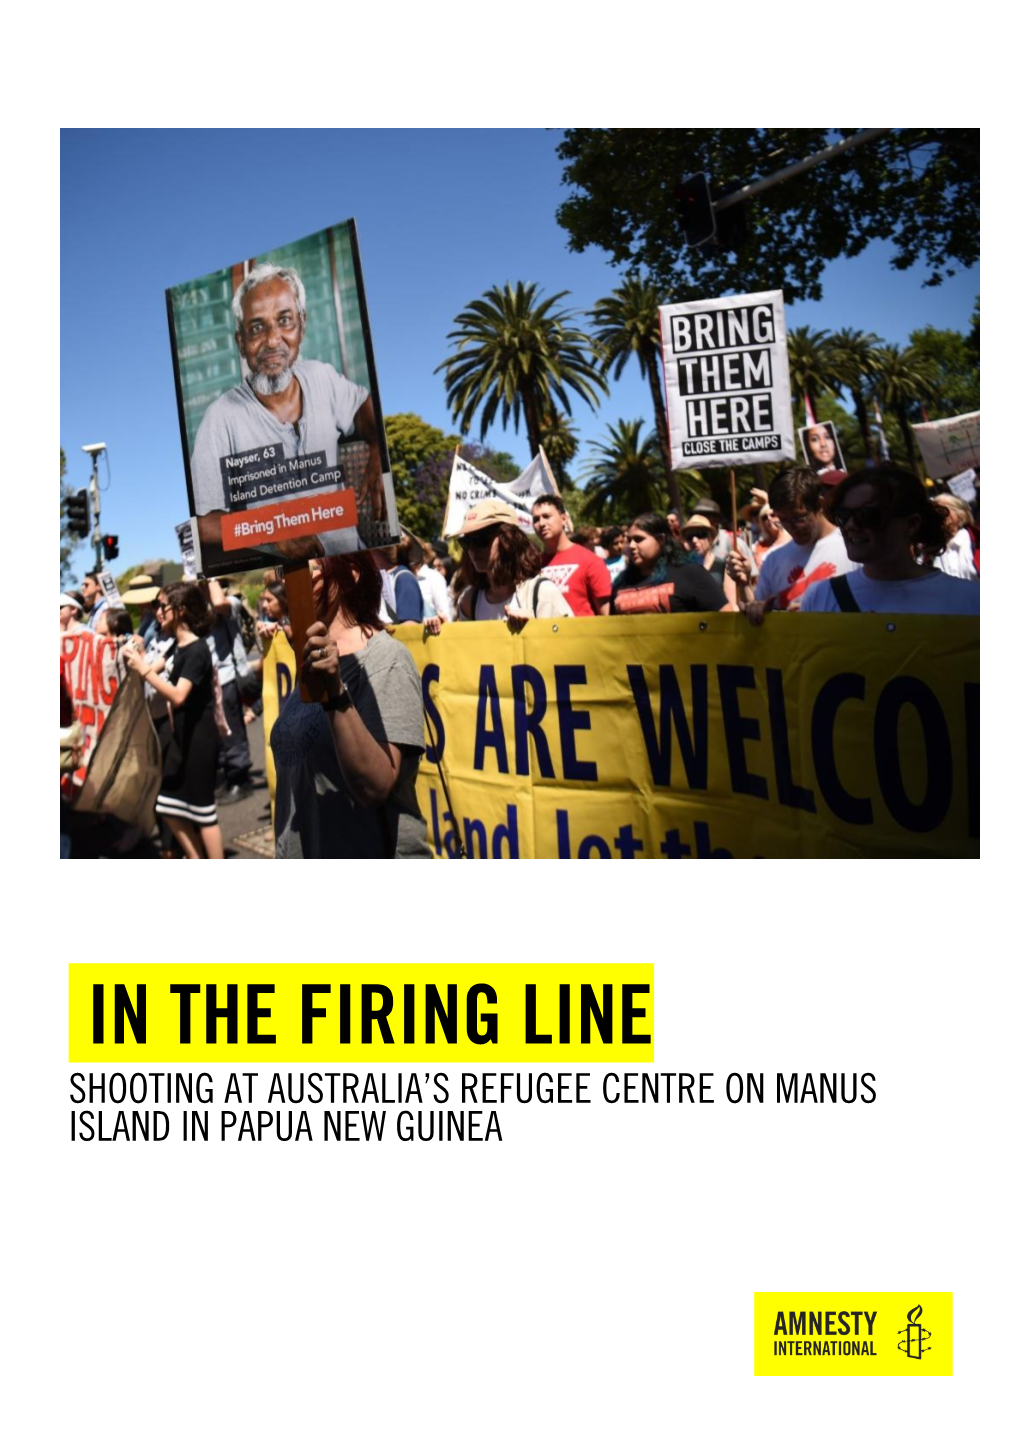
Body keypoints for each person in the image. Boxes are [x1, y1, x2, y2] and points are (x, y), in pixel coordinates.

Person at [189, 263, 385, 566]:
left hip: (355, 563)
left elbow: (364, 407)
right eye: (257, 327)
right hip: (292, 578)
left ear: (302, 326)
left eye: (285, 321)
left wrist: (378, 449)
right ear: (240, 342)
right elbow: (202, 526)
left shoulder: (321, 378)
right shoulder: (220, 418)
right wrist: (271, 537)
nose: (272, 340)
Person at [270, 553, 431, 858]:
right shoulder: (310, 657)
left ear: (351, 575)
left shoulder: (386, 659)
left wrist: (335, 695)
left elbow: (375, 786)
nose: (288, 579)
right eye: (284, 569)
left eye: (309, 567)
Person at [123, 582, 224, 860]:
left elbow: (178, 695)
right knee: (167, 805)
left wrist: (143, 669)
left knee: (204, 813)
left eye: (162, 606)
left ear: (179, 610)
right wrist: (133, 655)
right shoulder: (175, 648)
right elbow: (149, 668)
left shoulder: (197, 649)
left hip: (200, 740)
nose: (157, 612)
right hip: (183, 738)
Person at [800, 465, 981, 615]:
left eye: (868, 515)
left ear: (911, 524)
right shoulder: (821, 597)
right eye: (843, 515)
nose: (850, 525)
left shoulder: (971, 600)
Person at [727, 467, 860, 624]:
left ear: (820, 504)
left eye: (799, 517)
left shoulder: (853, 549)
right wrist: (744, 586)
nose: (792, 527)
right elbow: (755, 617)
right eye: (783, 519)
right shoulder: (773, 560)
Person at [454, 500, 573, 621]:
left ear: (508, 538)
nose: (473, 549)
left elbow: (571, 637)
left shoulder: (542, 593)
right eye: (467, 542)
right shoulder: (469, 600)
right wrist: (441, 631)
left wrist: (536, 628)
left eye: (481, 539)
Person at [611, 513, 726, 614]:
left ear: (661, 539)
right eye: (629, 540)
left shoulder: (691, 575)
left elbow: (725, 619)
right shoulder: (621, 583)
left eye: (639, 539)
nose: (631, 546)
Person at [206, 577, 254, 804]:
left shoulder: (231, 603)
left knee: (233, 730)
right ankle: (229, 776)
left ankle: (241, 780)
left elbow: (218, 603)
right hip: (212, 681)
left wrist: (208, 575)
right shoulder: (202, 611)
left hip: (228, 677)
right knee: (221, 732)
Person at [531, 495, 612, 616]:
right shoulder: (532, 566)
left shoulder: (591, 561)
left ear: (564, 519)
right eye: (536, 519)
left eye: (547, 516)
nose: (541, 523)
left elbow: (606, 616)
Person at [931, 494, 979, 580]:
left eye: (941, 509)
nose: (936, 515)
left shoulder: (977, 541)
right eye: (933, 511)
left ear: (960, 515)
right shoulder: (931, 550)